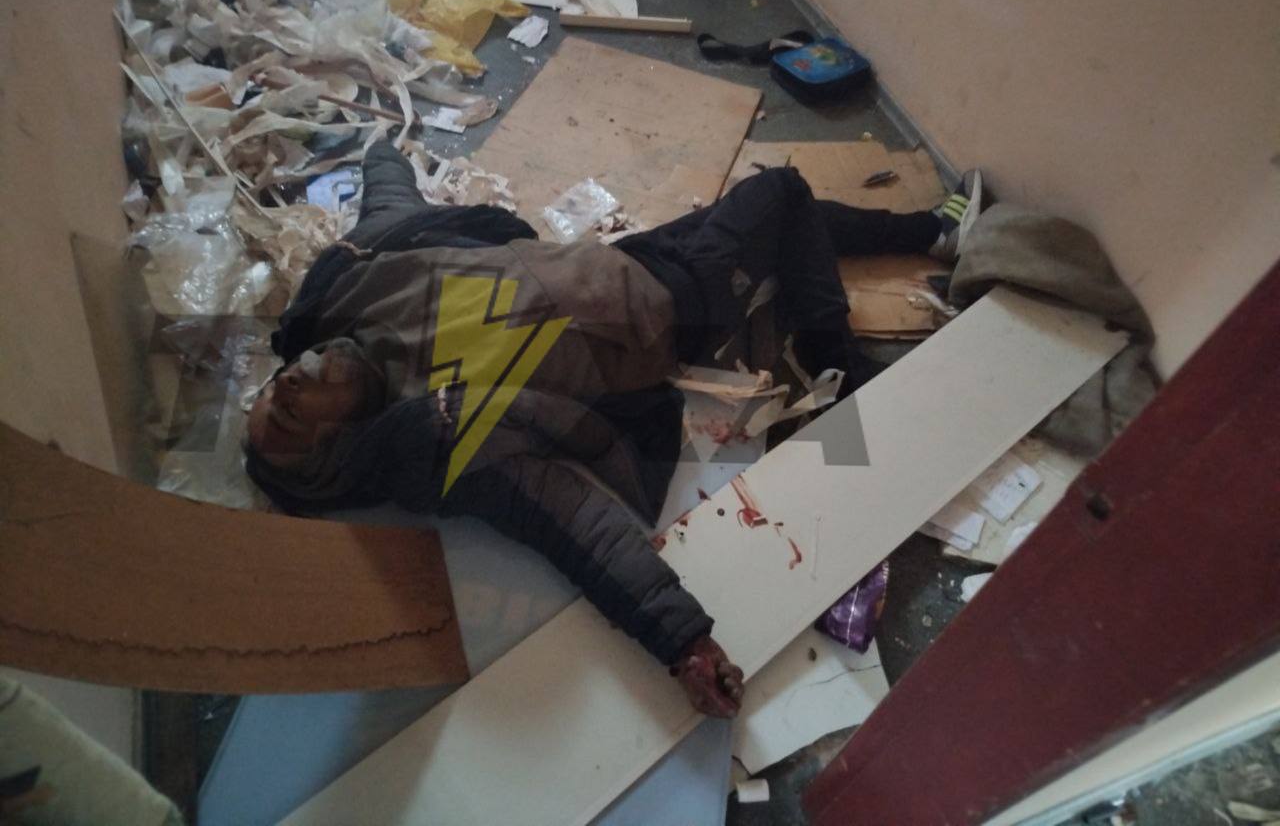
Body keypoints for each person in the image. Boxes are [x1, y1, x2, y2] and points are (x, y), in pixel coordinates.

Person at [245, 141, 981, 719]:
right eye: (290, 413)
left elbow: (391, 204)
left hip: (614, 265)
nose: (289, 383)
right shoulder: (440, 433)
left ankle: (935, 230)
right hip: (658, 313)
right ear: (341, 442)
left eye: (274, 386)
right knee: (782, 192)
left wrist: (381, 153)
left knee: (783, 219)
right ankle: (847, 363)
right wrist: (684, 641)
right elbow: (568, 520)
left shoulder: (353, 296)